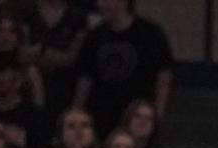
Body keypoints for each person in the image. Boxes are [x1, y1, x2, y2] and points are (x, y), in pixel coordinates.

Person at [73, 0, 171, 135]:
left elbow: (163, 76)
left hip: (137, 115)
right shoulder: (94, 37)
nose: (99, 5)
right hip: (102, 117)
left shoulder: (150, 33)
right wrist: (77, 112)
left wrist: (158, 112)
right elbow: (85, 79)